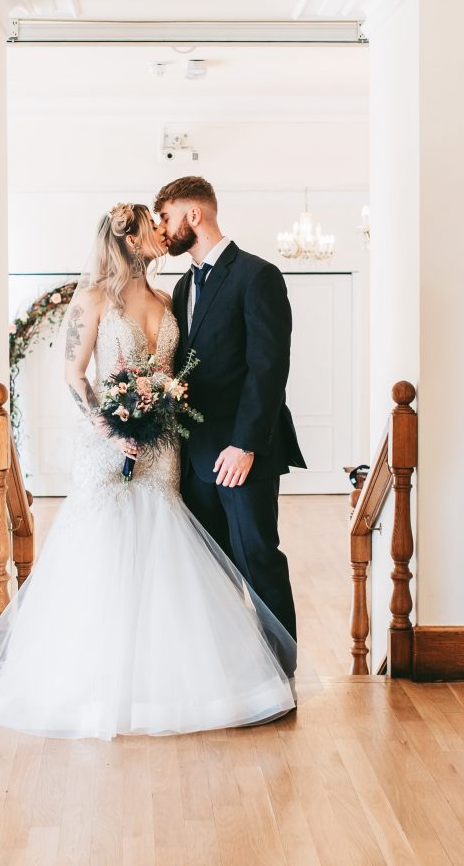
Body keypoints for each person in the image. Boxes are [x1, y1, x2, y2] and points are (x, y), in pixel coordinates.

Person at [0, 203, 295, 741]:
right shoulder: (91, 299)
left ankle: (176, 677)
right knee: (106, 549)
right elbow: (73, 372)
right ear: (131, 240)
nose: (162, 233)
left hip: (164, 450)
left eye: (165, 221)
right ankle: (99, 682)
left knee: (167, 550)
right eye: (152, 226)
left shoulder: (170, 298)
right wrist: (108, 427)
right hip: (108, 445)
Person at [154, 176, 306, 644]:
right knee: (210, 567)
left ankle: (283, 670)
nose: (162, 229)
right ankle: (231, 672)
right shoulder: (182, 287)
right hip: (194, 459)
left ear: (193, 215)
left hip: (244, 455)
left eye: (166, 216)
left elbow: (268, 369)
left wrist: (244, 445)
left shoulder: (257, 275)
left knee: (257, 557)